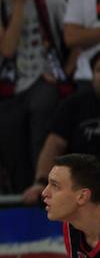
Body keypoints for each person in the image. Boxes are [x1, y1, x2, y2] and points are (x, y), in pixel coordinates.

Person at [0, 0, 70, 192]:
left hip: (44, 78)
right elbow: (7, 49)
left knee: (41, 116)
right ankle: (20, 196)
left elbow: (72, 40)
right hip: (8, 82)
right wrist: (20, 5)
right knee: (11, 148)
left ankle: (45, 190)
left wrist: (63, 71)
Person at [22, 52, 100, 203]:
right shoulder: (74, 105)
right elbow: (54, 144)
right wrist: (41, 182)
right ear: (92, 76)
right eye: (98, 70)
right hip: (80, 192)